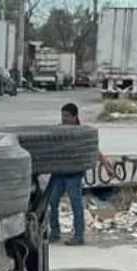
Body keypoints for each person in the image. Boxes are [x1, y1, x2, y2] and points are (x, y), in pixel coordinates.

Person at [47, 103, 110, 246]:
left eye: (67, 116)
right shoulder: (58, 131)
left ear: (75, 116)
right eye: (63, 116)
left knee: (76, 205)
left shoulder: (82, 133)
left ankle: (79, 236)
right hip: (58, 173)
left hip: (74, 174)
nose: (64, 119)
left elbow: (92, 148)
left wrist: (105, 163)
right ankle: (55, 232)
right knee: (52, 202)